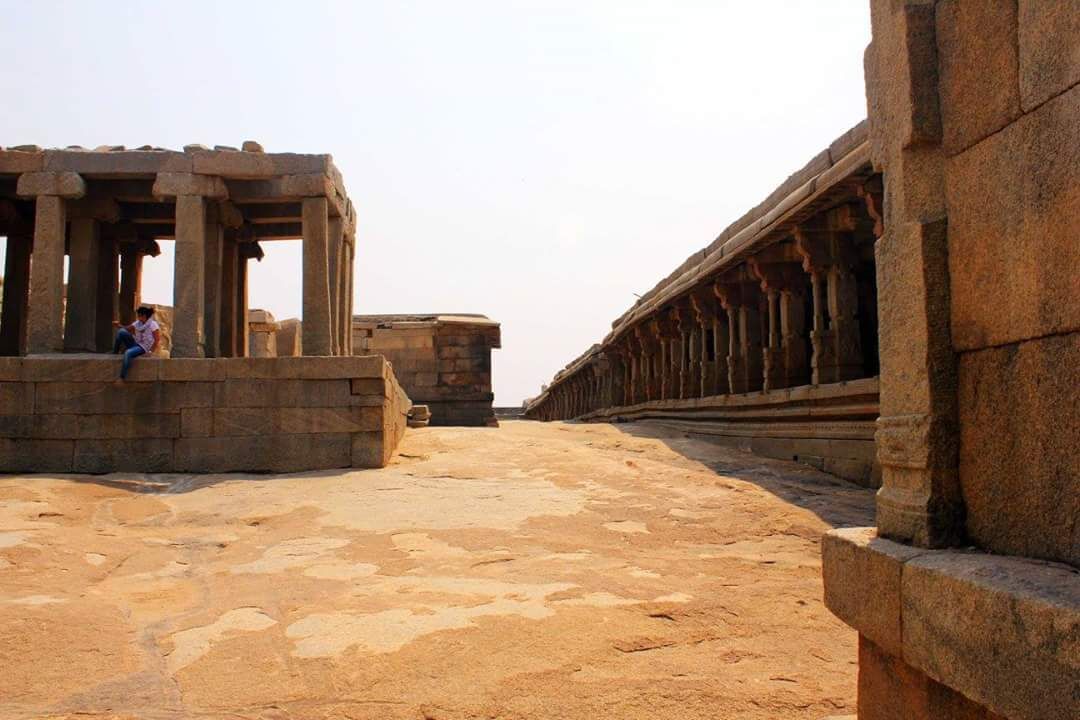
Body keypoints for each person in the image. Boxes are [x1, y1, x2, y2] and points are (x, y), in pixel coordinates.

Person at [113, 306, 160, 379]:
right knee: (121, 332)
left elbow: (157, 339)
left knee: (128, 353)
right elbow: (127, 328)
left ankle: (122, 377)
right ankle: (115, 353)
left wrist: (150, 352)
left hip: (143, 347)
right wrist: (118, 325)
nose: (138, 317)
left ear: (144, 316)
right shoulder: (138, 323)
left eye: (139, 316)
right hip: (136, 343)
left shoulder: (153, 324)